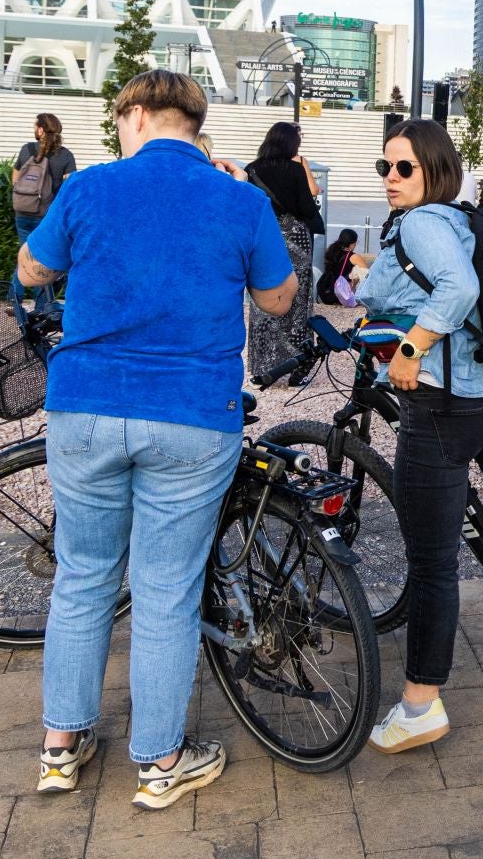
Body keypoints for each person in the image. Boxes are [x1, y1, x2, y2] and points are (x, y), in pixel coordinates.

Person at [17, 70, 295, 809]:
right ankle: (160, 764)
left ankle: (59, 750)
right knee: (167, 591)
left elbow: (32, 266)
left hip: (88, 405)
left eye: (118, 120)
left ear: (137, 115)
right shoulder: (241, 199)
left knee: (83, 578)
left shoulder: (88, 189)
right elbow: (279, 297)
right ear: (194, 124)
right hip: (192, 414)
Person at [356, 119, 483, 752]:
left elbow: (459, 286)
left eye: (405, 168)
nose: (391, 179)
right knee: (471, 475)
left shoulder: (425, 223)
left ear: (434, 169)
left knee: (431, 566)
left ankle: (421, 705)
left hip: (442, 404)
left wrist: (410, 345)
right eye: (385, 168)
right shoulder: (454, 218)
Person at [244, 122, 325, 384]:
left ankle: (262, 367)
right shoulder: (294, 169)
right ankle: (296, 365)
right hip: (295, 238)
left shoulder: (252, 169)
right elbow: (306, 209)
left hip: (263, 237)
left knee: (262, 297)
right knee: (297, 300)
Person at [10, 112, 76, 316]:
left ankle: (13, 300)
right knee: (43, 258)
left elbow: (15, 180)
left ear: (40, 129)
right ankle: (41, 307)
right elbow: (70, 187)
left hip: (23, 211)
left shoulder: (27, 149)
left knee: (25, 255)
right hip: (47, 214)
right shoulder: (65, 155)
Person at [320, 229, 360, 305]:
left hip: (325, 292)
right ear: (351, 244)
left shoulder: (331, 250)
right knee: (359, 270)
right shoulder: (353, 256)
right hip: (341, 294)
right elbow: (368, 272)